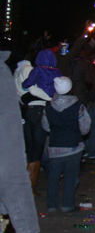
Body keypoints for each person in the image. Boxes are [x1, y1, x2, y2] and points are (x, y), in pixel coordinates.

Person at [0, 49, 42, 233]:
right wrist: (27, 228)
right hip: (36, 112)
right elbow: (8, 161)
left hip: (28, 111)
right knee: (33, 150)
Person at [41, 77, 91, 213]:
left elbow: (46, 126)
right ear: (70, 88)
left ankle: (52, 205)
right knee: (70, 177)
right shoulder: (77, 106)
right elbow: (85, 127)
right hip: (73, 147)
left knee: (53, 178)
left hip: (54, 147)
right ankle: (67, 205)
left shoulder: (48, 106)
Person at [20, 49, 61, 196]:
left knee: (30, 148)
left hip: (29, 110)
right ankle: (31, 185)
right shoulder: (57, 72)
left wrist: (25, 86)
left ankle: (27, 184)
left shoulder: (36, 70)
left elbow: (28, 84)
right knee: (37, 148)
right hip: (43, 108)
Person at [70, 45, 95, 159]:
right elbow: (91, 83)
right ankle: (94, 151)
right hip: (88, 99)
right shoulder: (85, 64)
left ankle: (83, 150)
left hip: (76, 98)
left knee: (81, 125)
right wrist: (92, 99)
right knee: (94, 125)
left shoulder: (70, 63)